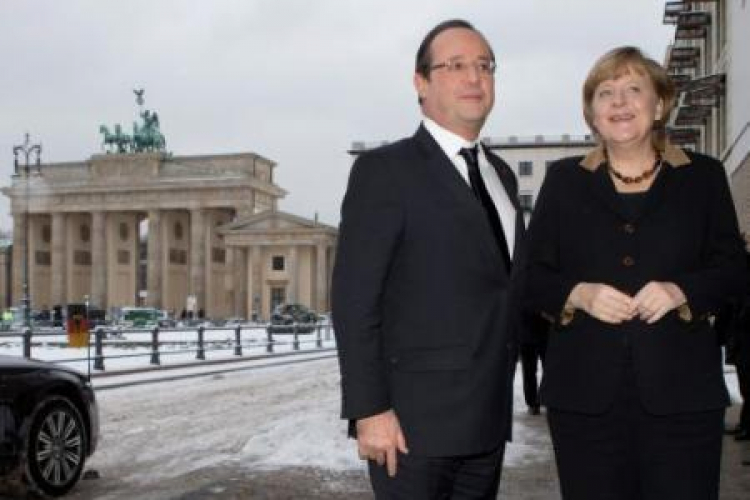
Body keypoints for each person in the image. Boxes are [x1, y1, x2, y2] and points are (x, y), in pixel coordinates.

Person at [523, 46, 746, 500]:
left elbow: (734, 272)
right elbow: (529, 277)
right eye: (605, 93)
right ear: (592, 113)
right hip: (584, 403)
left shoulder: (703, 177)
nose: (619, 103)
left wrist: (681, 289)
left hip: (683, 401)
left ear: (660, 103)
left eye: (633, 90)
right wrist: (578, 294)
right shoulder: (564, 181)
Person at [332, 19, 523, 499]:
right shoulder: (384, 171)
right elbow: (355, 302)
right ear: (421, 83)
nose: (474, 78)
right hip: (410, 429)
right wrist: (369, 409)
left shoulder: (501, 175)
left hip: (486, 421)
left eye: (484, 66)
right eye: (455, 65)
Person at [519, 312, 549, 415]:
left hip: (542, 333)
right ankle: (533, 403)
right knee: (529, 371)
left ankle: (538, 402)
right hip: (529, 334)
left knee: (547, 370)